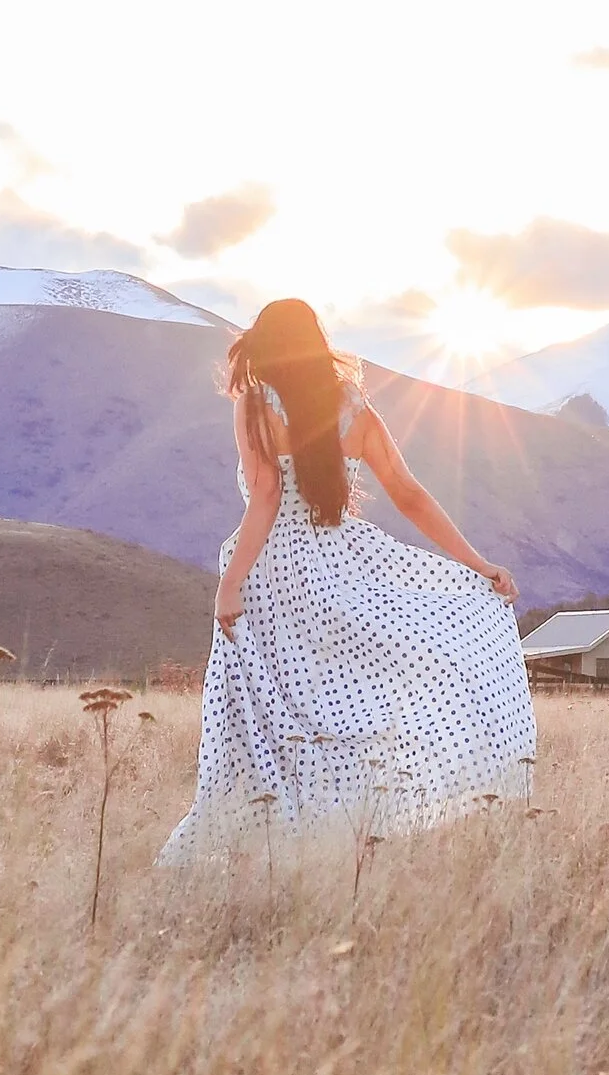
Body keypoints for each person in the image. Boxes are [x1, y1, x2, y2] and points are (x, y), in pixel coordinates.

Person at [157, 296, 535, 855]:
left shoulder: (255, 404)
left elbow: (265, 495)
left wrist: (230, 582)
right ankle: (334, 838)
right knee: (339, 709)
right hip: (340, 565)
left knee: (263, 718)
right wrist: (478, 565)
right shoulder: (354, 407)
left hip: (273, 575)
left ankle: (266, 846)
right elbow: (407, 493)